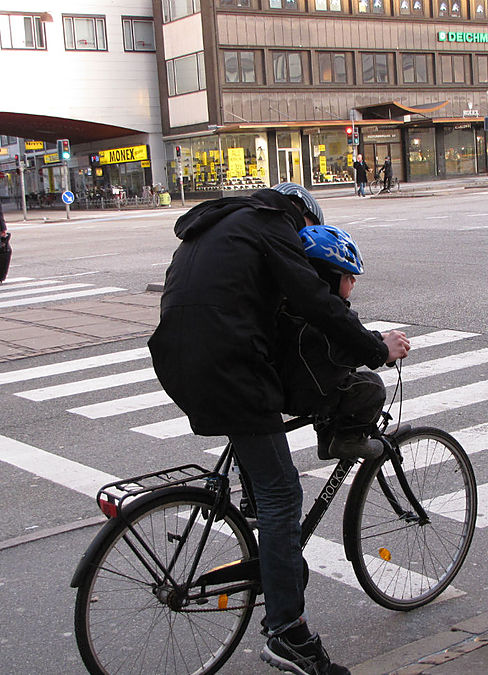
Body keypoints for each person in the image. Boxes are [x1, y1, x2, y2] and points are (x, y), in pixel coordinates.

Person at [148, 182, 409, 675]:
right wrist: (376, 349)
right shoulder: (272, 225)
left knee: (263, 474)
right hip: (229, 366)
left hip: (178, 358)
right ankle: (288, 633)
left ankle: (262, 527)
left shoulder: (221, 224)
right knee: (283, 494)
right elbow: (315, 301)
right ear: (302, 217)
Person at [276, 224, 387, 460]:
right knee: (371, 387)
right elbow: (342, 348)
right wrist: (381, 348)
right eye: (348, 276)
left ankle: (328, 439)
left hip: (287, 385)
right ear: (327, 278)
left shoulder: (292, 307)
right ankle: (349, 440)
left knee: (337, 383)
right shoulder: (319, 317)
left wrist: (375, 340)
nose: (354, 282)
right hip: (299, 393)